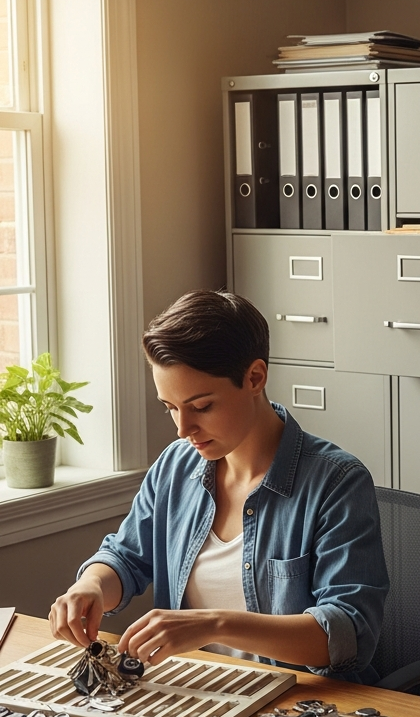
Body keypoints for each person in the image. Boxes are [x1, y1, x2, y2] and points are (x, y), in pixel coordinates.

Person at [48, 290, 389, 683]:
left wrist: (214, 625)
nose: (182, 429)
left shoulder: (336, 483)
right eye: (171, 407)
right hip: (196, 696)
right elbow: (126, 558)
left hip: (299, 711)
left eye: (202, 406)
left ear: (255, 378)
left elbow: (348, 634)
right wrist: (90, 585)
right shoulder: (176, 467)